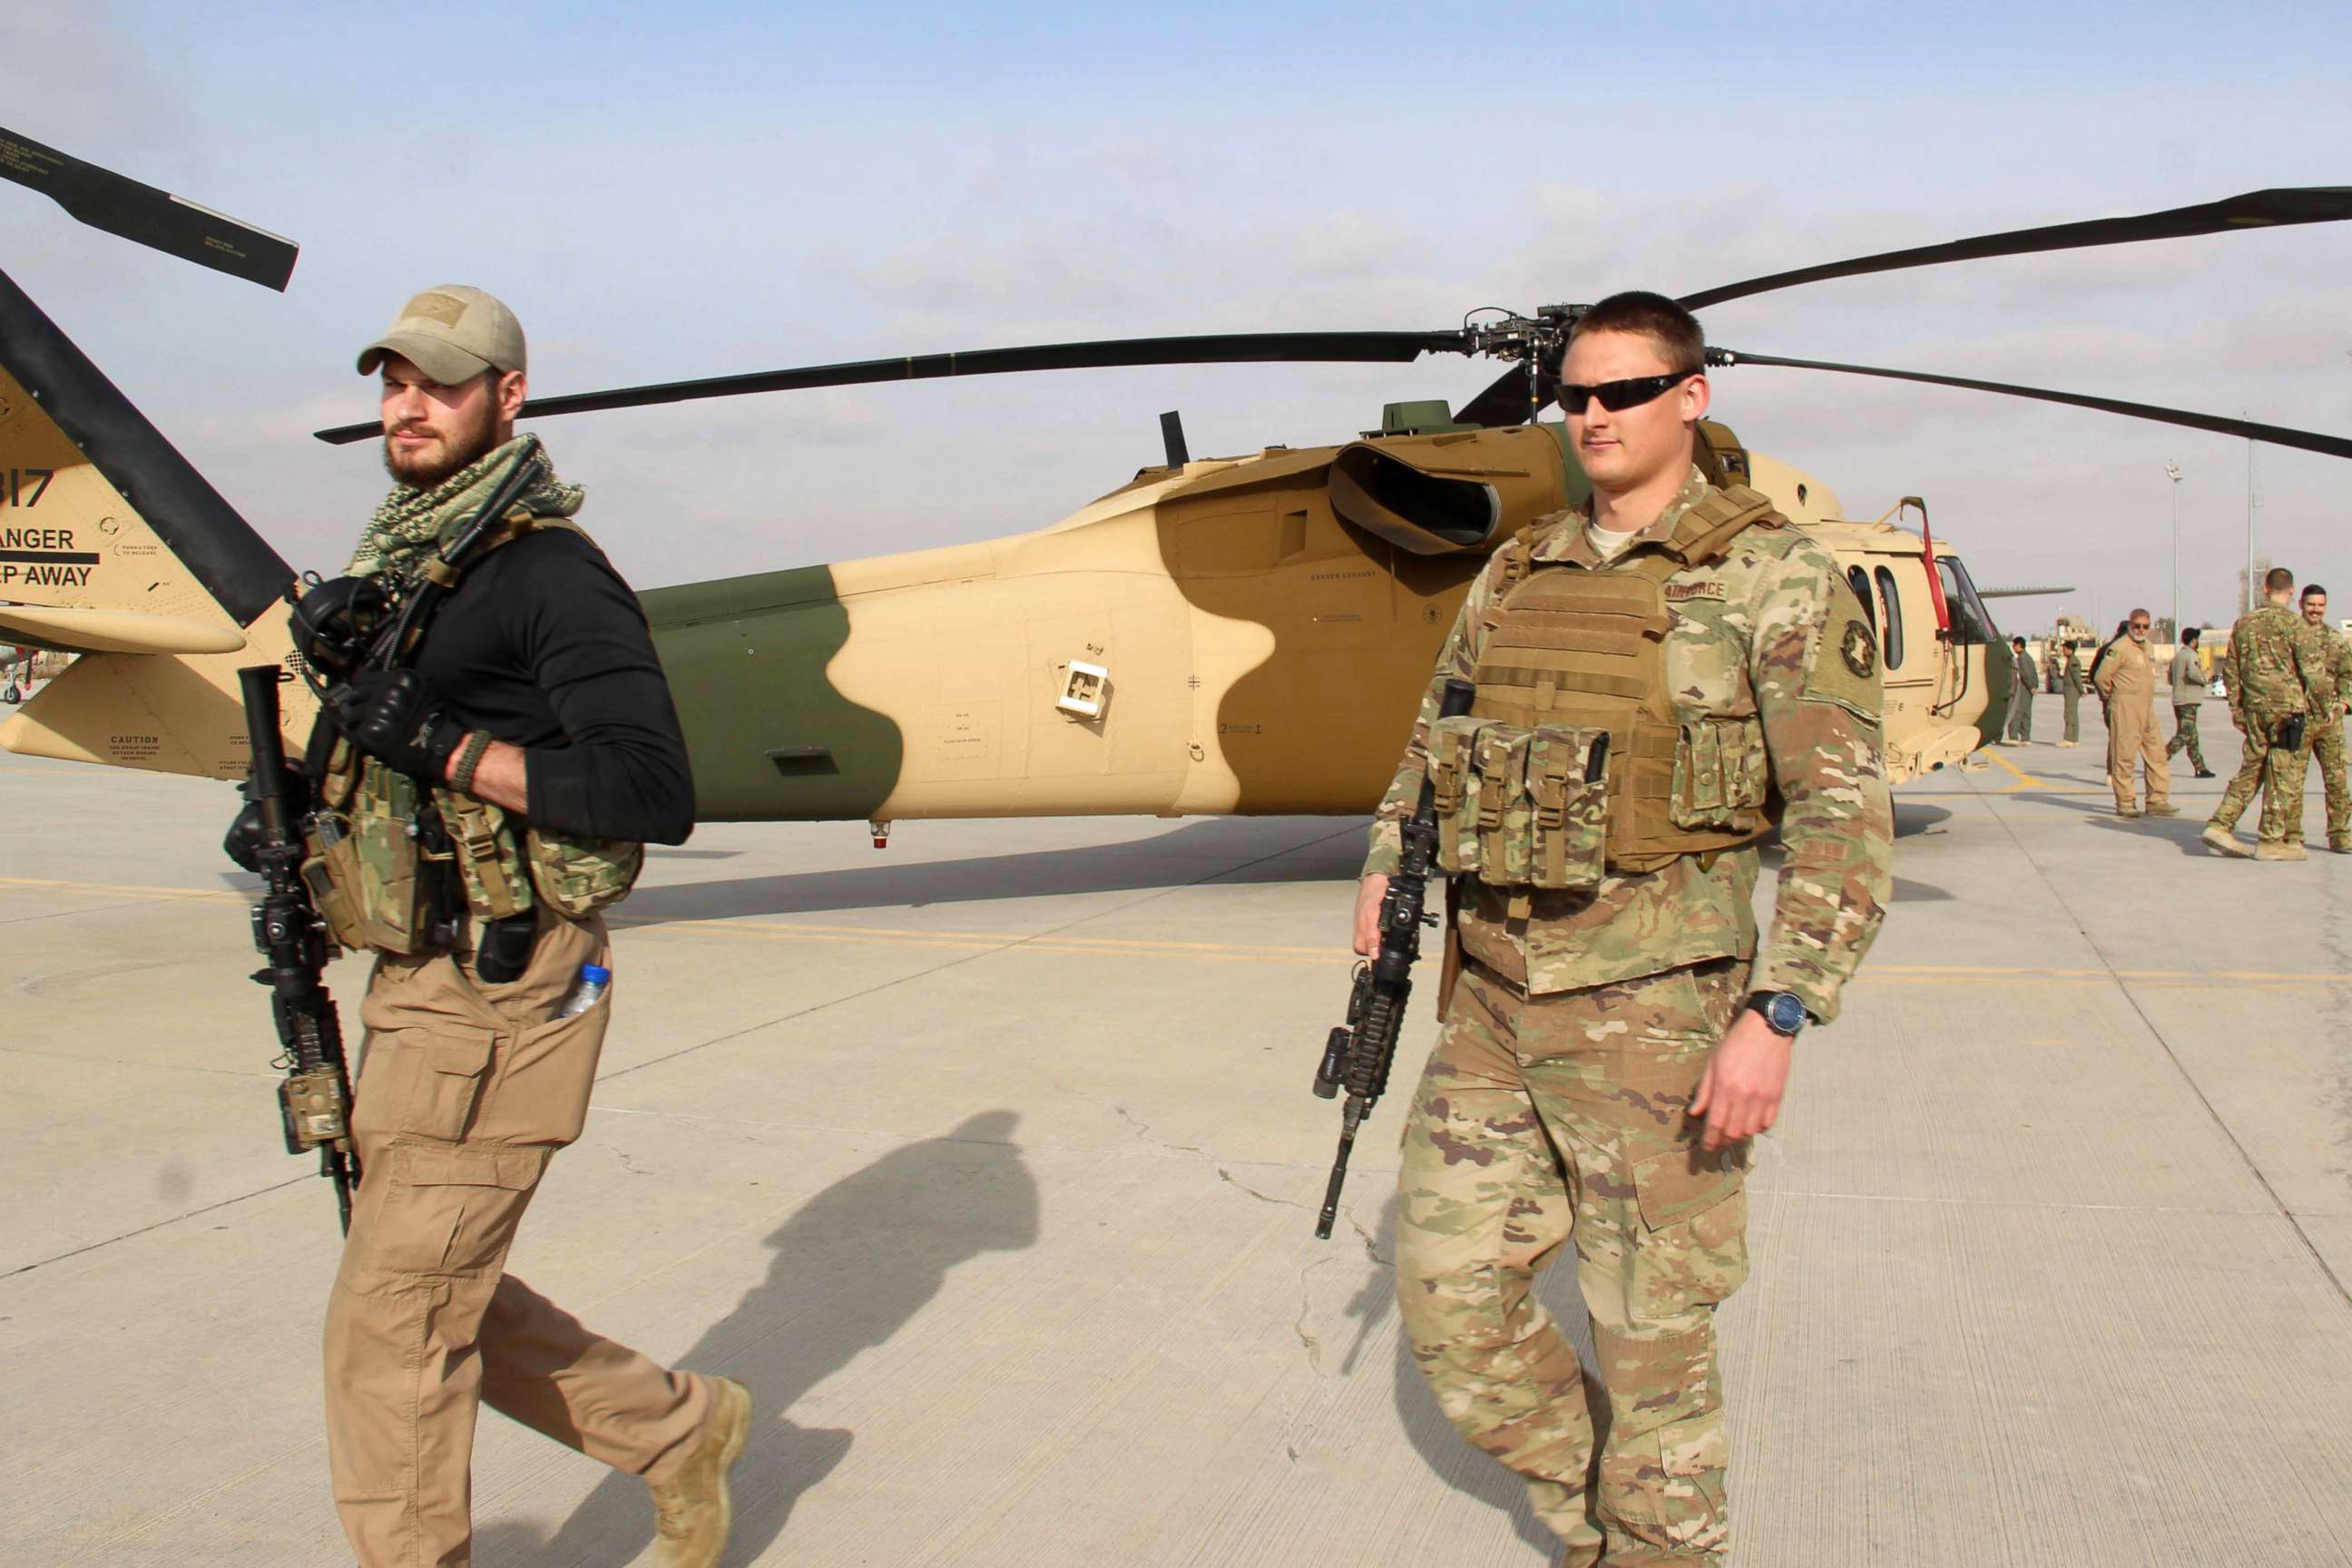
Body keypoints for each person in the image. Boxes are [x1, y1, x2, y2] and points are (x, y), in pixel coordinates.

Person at [1357, 291, 1893, 1567]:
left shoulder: (1773, 577)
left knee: (1652, 1340)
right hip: (1491, 999)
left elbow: (1839, 814)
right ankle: (1592, 1519)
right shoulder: (1519, 569)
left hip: (1659, 1014)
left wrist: (1779, 1013)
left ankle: (1660, 1549)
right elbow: (1435, 744)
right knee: (1450, 1310)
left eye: (1622, 393)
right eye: (1575, 397)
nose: (1591, 417)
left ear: (1689, 398)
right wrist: (1387, 865)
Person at [256, 287, 749, 1566]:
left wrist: (448, 745)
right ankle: (674, 1428)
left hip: (504, 995)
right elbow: (388, 769)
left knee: (392, 1326)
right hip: (416, 990)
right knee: (419, 1294)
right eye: (391, 382)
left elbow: (653, 790)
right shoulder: (413, 565)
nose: (405, 406)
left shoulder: (548, 574)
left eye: (438, 382)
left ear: (507, 398)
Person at [2205, 566, 2328, 860]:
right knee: (2281, 773)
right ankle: (2271, 839)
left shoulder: (2244, 622)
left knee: (2254, 768)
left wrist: (2237, 708)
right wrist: (2324, 710)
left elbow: (2231, 669)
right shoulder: (2294, 624)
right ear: (2292, 592)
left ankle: (2221, 823)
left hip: (2254, 709)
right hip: (2286, 711)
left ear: (2264, 590)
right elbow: (2313, 673)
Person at [2093, 609, 2172, 818]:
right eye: (2137, 625)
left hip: (2147, 708)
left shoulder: (2148, 648)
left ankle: (2157, 799)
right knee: (2125, 757)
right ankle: (2126, 802)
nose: (2141, 630)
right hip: (2126, 707)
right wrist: (2112, 700)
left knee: (2157, 755)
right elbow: (2102, 678)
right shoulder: (2119, 648)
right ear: (2130, 625)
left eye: (2145, 626)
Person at [2298, 584, 2352, 851]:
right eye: (2311, 605)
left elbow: (2347, 675)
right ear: (2301, 604)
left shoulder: (2335, 639)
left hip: (2330, 721)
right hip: (2298, 719)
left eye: (2320, 605)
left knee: (2338, 779)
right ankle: (2290, 834)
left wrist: (2343, 704)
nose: (2315, 610)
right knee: (2292, 781)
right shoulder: (2291, 636)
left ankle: (2340, 834)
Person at [2165, 625, 2215, 778]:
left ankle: (2200, 767)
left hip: (2179, 699)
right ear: (2193, 641)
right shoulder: (2191, 656)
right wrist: (2205, 678)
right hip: (2188, 701)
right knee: (2185, 734)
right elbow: (2193, 673)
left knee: (2192, 736)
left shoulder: (2177, 656)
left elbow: (2170, 678)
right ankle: (2160, 759)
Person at [2004, 635, 2039, 743]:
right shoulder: (2028, 657)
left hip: (2023, 689)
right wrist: (2034, 686)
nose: (2013, 648)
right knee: (2026, 713)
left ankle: (2014, 737)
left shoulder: (2021, 659)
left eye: (2014, 645)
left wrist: (2031, 686)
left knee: (2016, 712)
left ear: (2019, 645)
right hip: (2028, 690)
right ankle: (2025, 737)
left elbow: (2025, 674)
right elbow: (2034, 674)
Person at [2057, 640, 2084, 746]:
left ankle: (2069, 738)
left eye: (2064, 649)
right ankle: (2074, 738)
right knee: (2072, 714)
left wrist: (2081, 689)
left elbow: (2076, 677)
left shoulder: (2073, 661)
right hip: (2070, 690)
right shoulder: (2071, 660)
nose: (2063, 651)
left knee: (2069, 714)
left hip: (2072, 691)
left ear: (2070, 650)